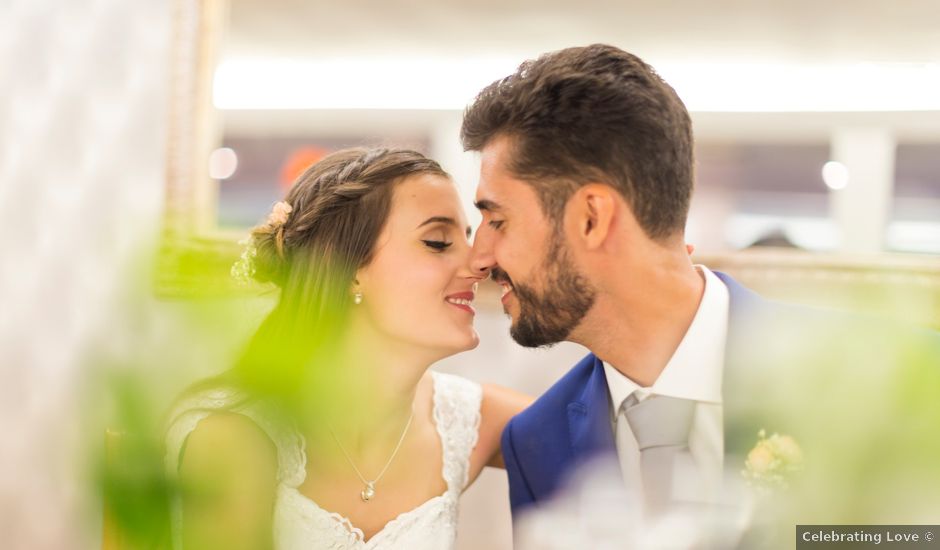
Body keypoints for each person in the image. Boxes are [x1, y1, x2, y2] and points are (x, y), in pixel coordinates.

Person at [461, 43, 940, 542]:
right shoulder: (537, 441)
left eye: (497, 220)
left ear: (591, 218)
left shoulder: (889, 376)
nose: (480, 256)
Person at [164, 148, 531, 550]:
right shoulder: (235, 438)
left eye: (468, 236)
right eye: (437, 241)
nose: (480, 261)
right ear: (348, 272)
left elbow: (598, 424)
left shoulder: (470, 421)